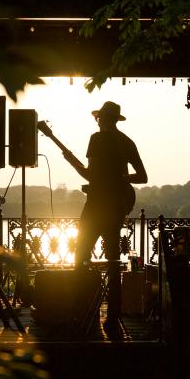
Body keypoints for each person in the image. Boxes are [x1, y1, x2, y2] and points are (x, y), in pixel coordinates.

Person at [69, 101, 148, 333]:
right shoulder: (127, 142)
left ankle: (81, 310)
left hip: (95, 206)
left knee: (80, 257)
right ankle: (113, 318)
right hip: (116, 208)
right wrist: (122, 179)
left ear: (101, 119)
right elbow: (142, 177)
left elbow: (89, 174)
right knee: (114, 262)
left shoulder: (97, 139)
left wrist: (70, 160)